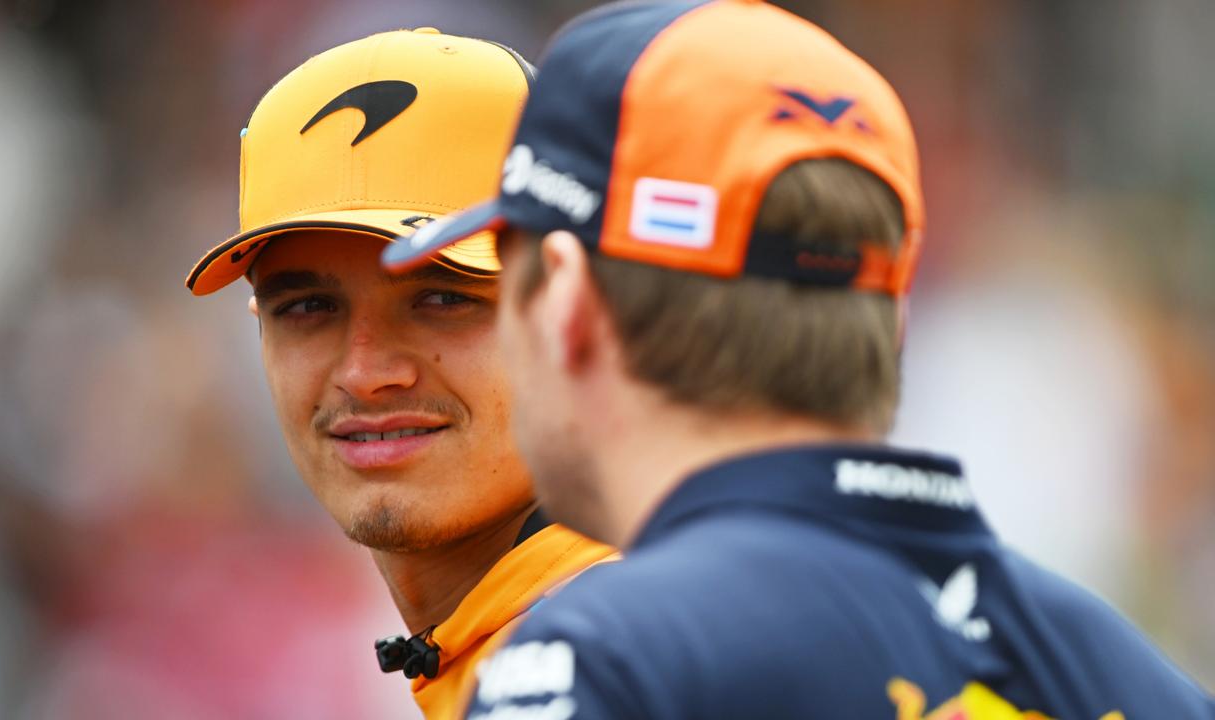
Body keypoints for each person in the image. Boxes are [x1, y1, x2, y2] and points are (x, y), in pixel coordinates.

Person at [383, 1, 1215, 718]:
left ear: (564, 304)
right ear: (889, 324)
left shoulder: (596, 665)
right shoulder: (1135, 679)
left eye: (501, 281)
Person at [184, 29, 614, 718]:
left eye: (443, 298)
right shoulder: (538, 645)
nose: (364, 372)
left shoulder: (612, 666)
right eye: (309, 307)